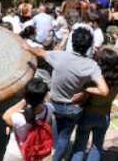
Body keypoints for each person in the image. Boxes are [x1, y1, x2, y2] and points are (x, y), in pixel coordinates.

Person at [23, 28, 109, 161]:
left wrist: (27, 47)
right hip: (73, 107)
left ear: (72, 42)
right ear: (88, 46)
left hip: (55, 104)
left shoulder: (59, 56)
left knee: (57, 124)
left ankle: (54, 152)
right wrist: (86, 91)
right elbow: (104, 90)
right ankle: (56, 157)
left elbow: (39, 51)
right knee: (65, 135)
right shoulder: (91, 65)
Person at [74, 48, 118, 161]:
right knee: (97, 147)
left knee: (79, 148)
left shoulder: (93, 80)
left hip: (87, 115)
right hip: (104, 115)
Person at [2, 78, 52, 161]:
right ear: (44, 96)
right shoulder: (49, 109)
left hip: (16, 153)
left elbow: (5, 116)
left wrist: (25, 100)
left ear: (25, 96)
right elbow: (48, 123)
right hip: (34, 151)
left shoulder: (18, 117)